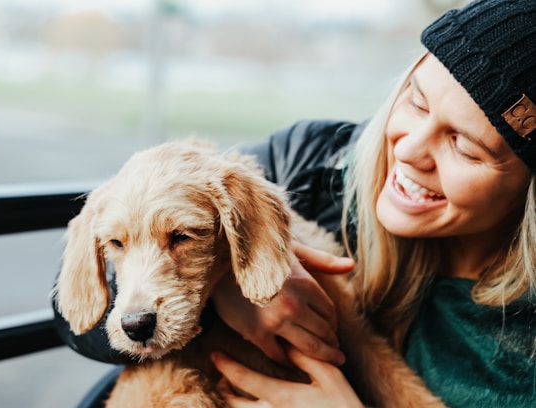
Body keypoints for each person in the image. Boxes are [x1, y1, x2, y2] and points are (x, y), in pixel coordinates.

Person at [53, 0, 536, 406]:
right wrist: (229, 288)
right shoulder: (306, 159)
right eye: (417, 102)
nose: (408, 150)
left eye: (464, 145)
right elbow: (73, 314)